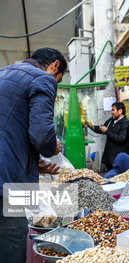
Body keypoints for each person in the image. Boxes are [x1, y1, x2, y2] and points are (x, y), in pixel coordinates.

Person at [0, 47, 67, 263]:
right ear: (55, 65)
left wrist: (33, 163)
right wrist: (51, 148)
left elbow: (9, 132)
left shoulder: (3, 73)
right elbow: (41, 136)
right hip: (7, 184)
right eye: (58, 78)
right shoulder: (43, 79)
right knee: (13, 245)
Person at [86, 102, 129, 171]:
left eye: (113, 110)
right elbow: (102, 129)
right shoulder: (111, 121)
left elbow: (121, 139)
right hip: (109, 158)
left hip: (118, 159)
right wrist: (91, 126)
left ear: (120, 111)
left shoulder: (126, 123)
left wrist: (107, 131)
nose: (111, 112)